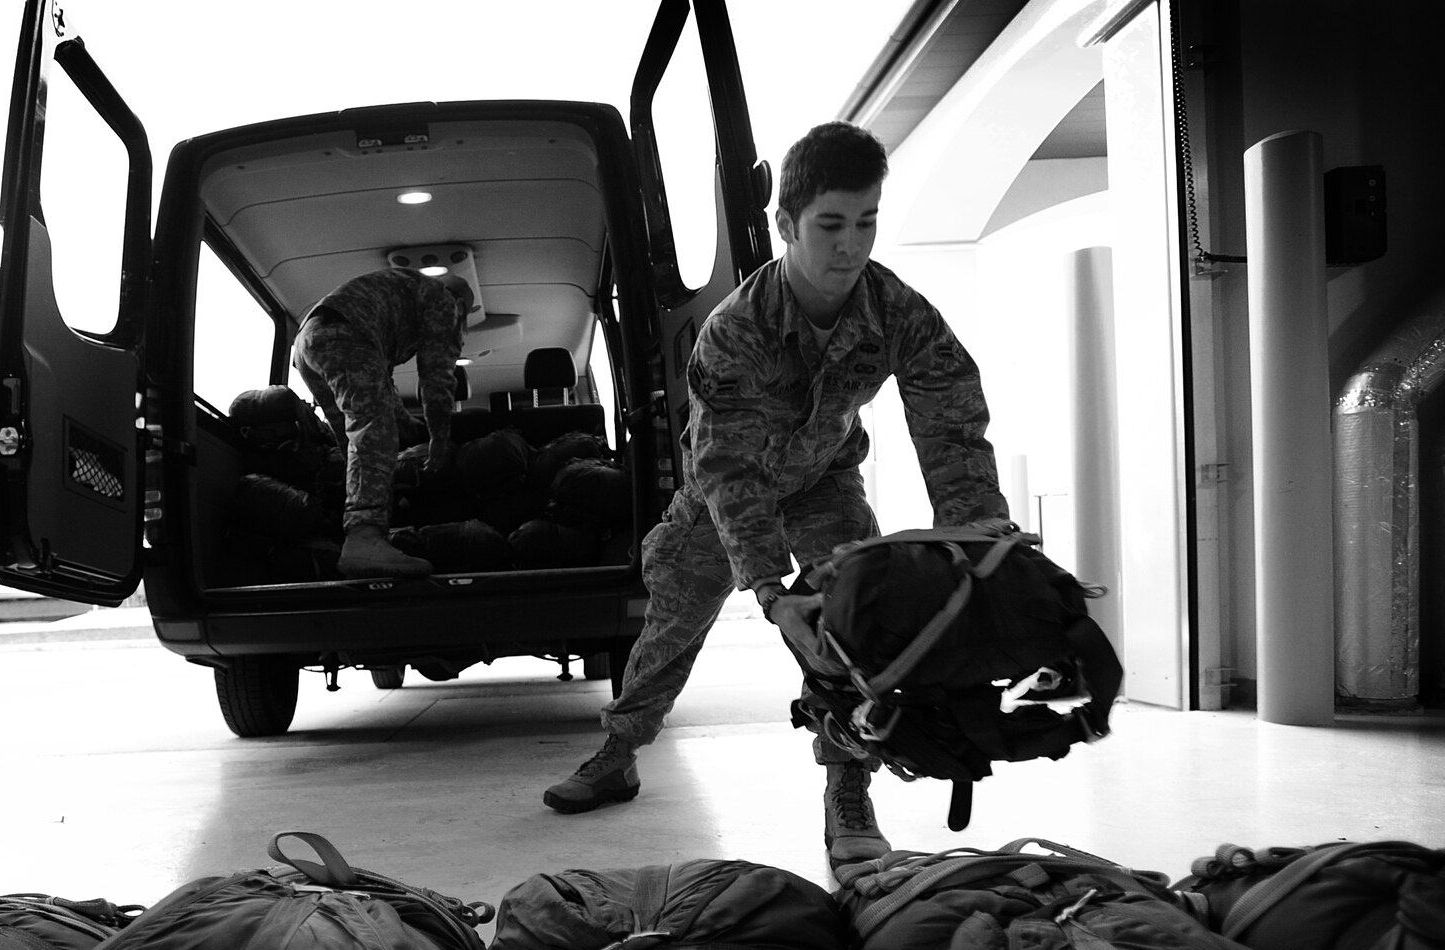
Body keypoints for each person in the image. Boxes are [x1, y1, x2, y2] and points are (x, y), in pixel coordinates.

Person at [542, 121, 1012, 868]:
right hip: (721, 499)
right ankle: (619, 751)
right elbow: (729, 471)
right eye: (830, 225)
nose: (851, 245)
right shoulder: (735, 334)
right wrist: (768, 589)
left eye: (867, 223)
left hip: (824, 481)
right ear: (787, 224)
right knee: (669, 628)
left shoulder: (897, 310)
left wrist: (977, 529)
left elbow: (950, 415)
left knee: (851, 618)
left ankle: (847, 790)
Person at [291, 267, 474, 578]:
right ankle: (364, 538)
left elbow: (381, 382)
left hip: (306, 344)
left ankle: (351, 529)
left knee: (353, 440)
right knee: (372, 431)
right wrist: (439, 440)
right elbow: (437, 376)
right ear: (461, 303)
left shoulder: (398, 293)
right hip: (344, 336)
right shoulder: (444, 298)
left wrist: (407, 425)